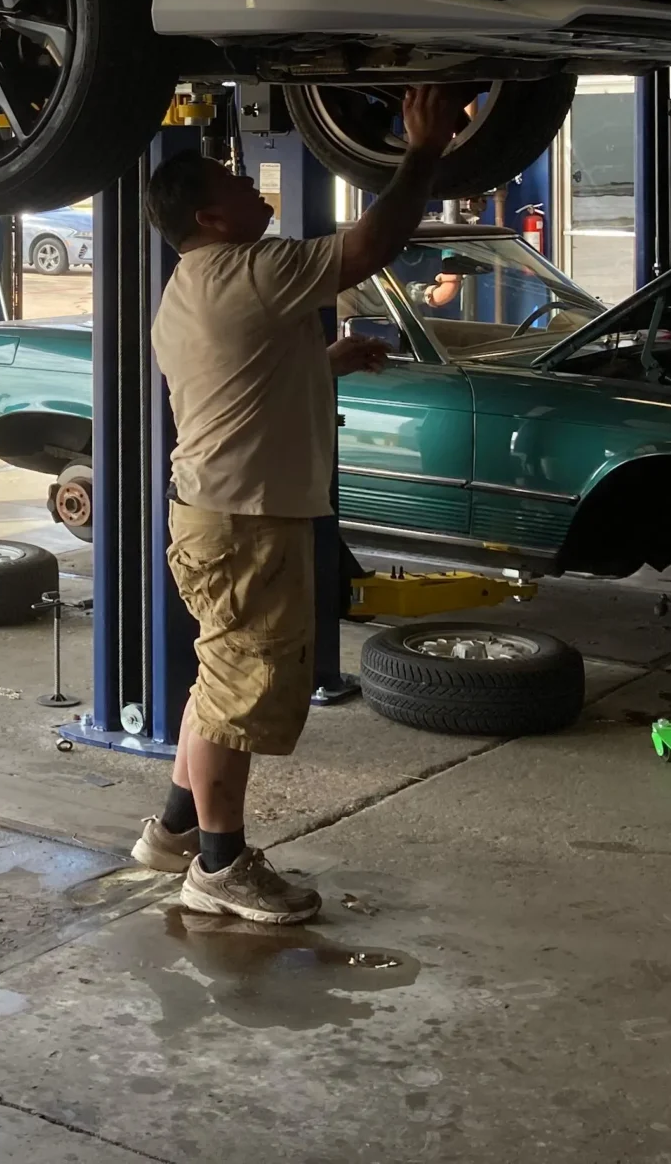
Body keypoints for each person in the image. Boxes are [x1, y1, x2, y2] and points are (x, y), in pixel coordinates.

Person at [130, 84, 472, 923]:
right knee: (238, 689)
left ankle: (177, 828)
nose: (258, 191)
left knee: (222, 675)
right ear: (211, 219)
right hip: (245, 521)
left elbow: (241, 386)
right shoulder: (256, 269)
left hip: (216, 510)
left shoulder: (190, 286)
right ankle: (218, 865)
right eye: (237, 186)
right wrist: (422, 152)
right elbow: (370, 245)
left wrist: (326, 362)